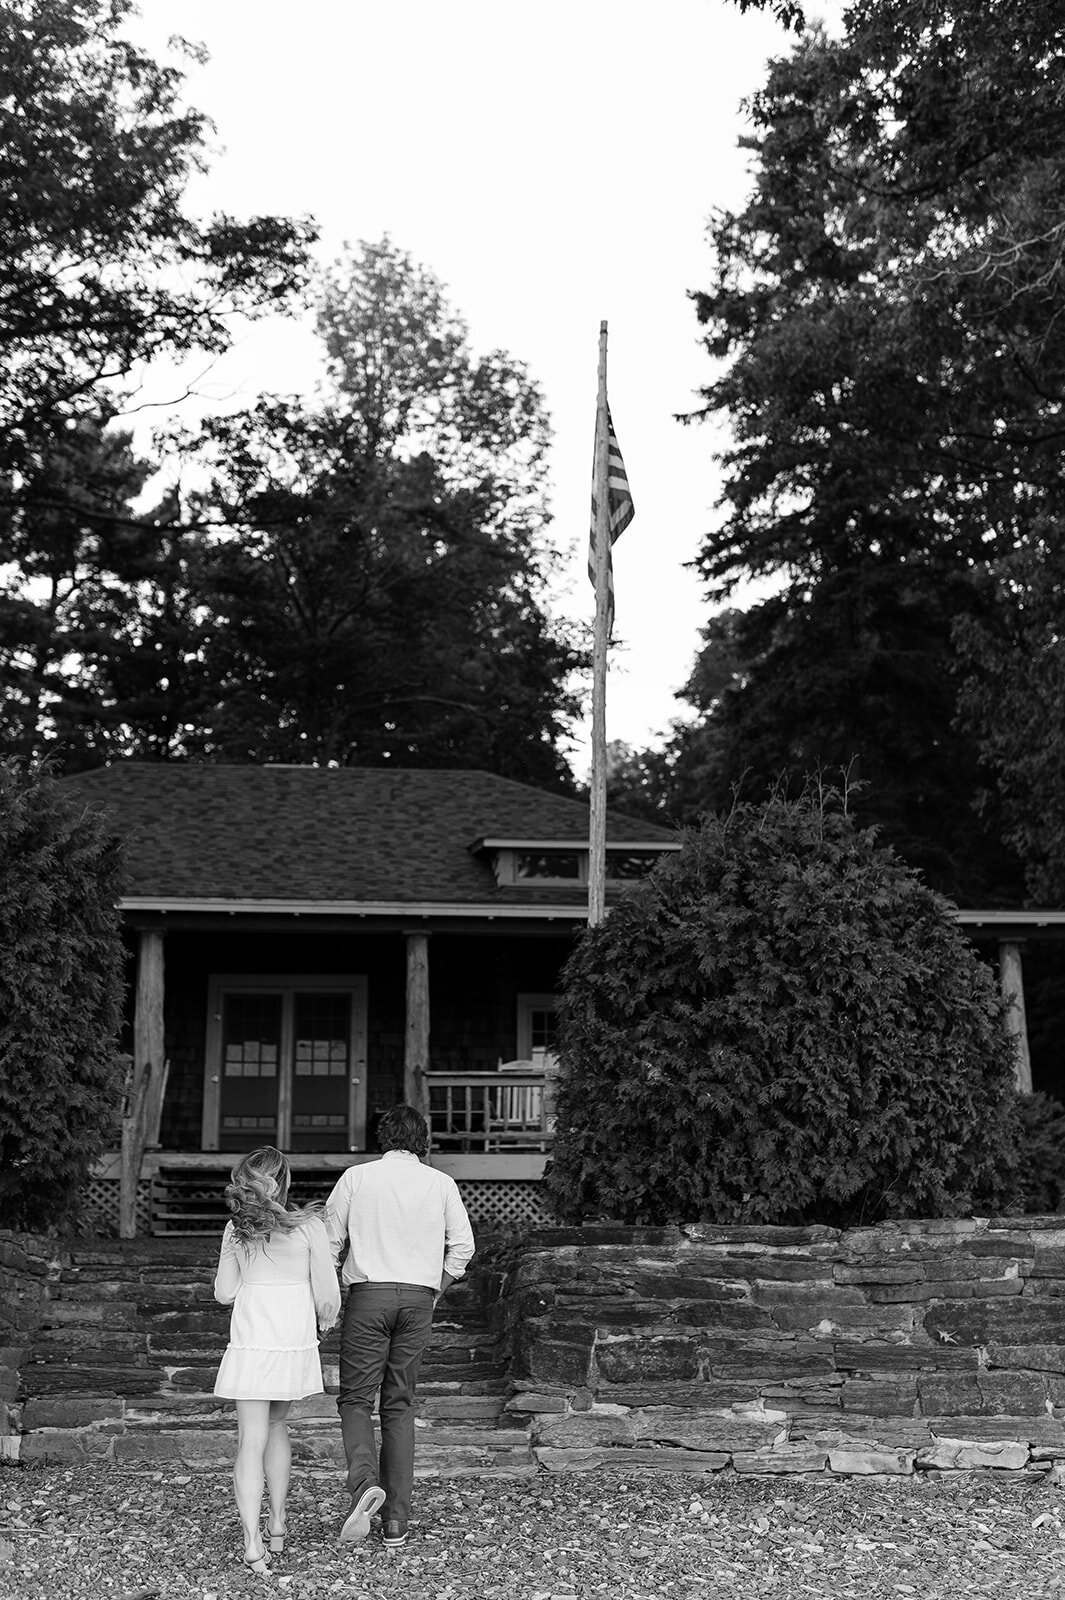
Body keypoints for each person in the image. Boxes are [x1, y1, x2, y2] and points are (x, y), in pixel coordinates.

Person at [324, 1103, 475, 1550]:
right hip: (418, 1298)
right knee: (400, 1404)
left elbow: (329, 1244)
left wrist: (327, 1297)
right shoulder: (441, 1183)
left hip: (369, 1297)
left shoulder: (356, 1177)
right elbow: (463, 1248)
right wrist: (435, 1289)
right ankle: (396, 1522)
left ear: (384, 1137)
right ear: (422, 1140)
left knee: (355, 1398)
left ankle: (365, 1485)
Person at [213, 1146, 341, 1575]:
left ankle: (252, 1543)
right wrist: (324, 1323)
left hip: (252, 1340)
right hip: (290, 1340)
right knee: (277, 1427)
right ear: (284, 1182)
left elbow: (225, 1293)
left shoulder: (236, 1230)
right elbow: (326, 1291)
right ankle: (279, 1525)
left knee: (250, 1439)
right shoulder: (309, 1227)